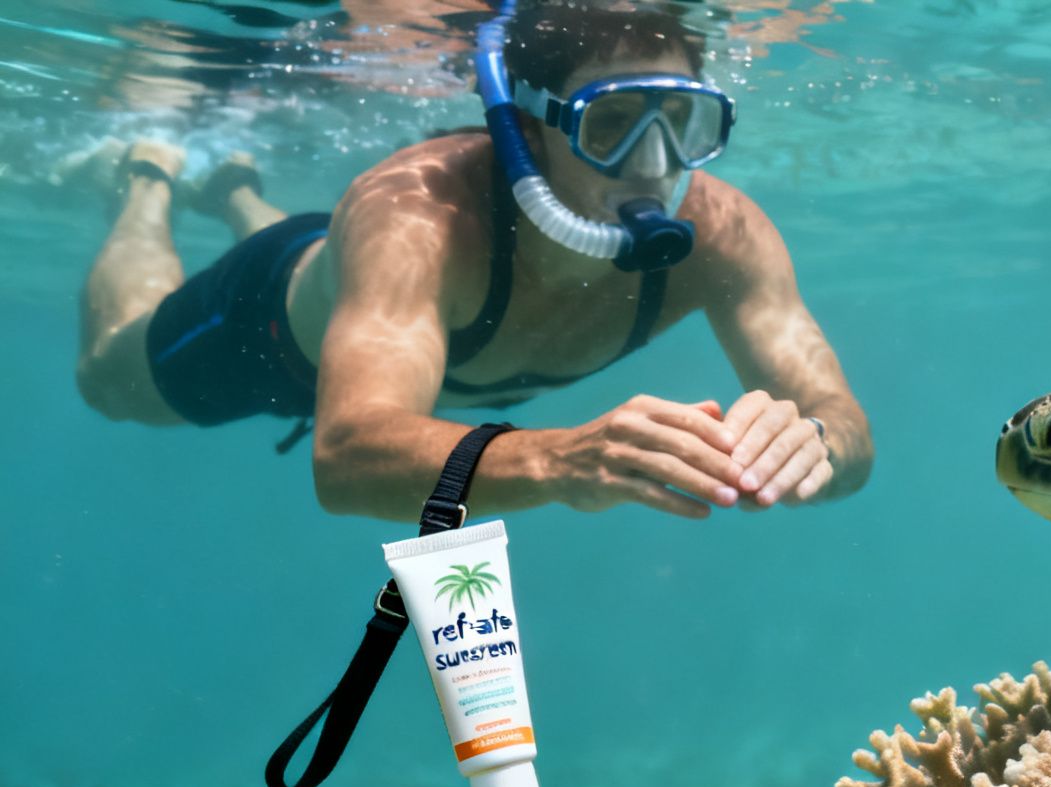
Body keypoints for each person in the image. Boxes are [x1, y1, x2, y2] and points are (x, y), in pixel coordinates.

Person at [73, 0, 870, 522]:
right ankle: (151, 177)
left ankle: (238, 188)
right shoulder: (418, 216)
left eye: (684, 123)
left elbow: (843, 421)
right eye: (612, 123)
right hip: (273, 331)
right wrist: (561, 458)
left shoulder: (725, 233)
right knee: (109, 383)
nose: (653, 163)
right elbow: (349, 457)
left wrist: (815, 444)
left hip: (356, 294)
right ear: (526, 129)